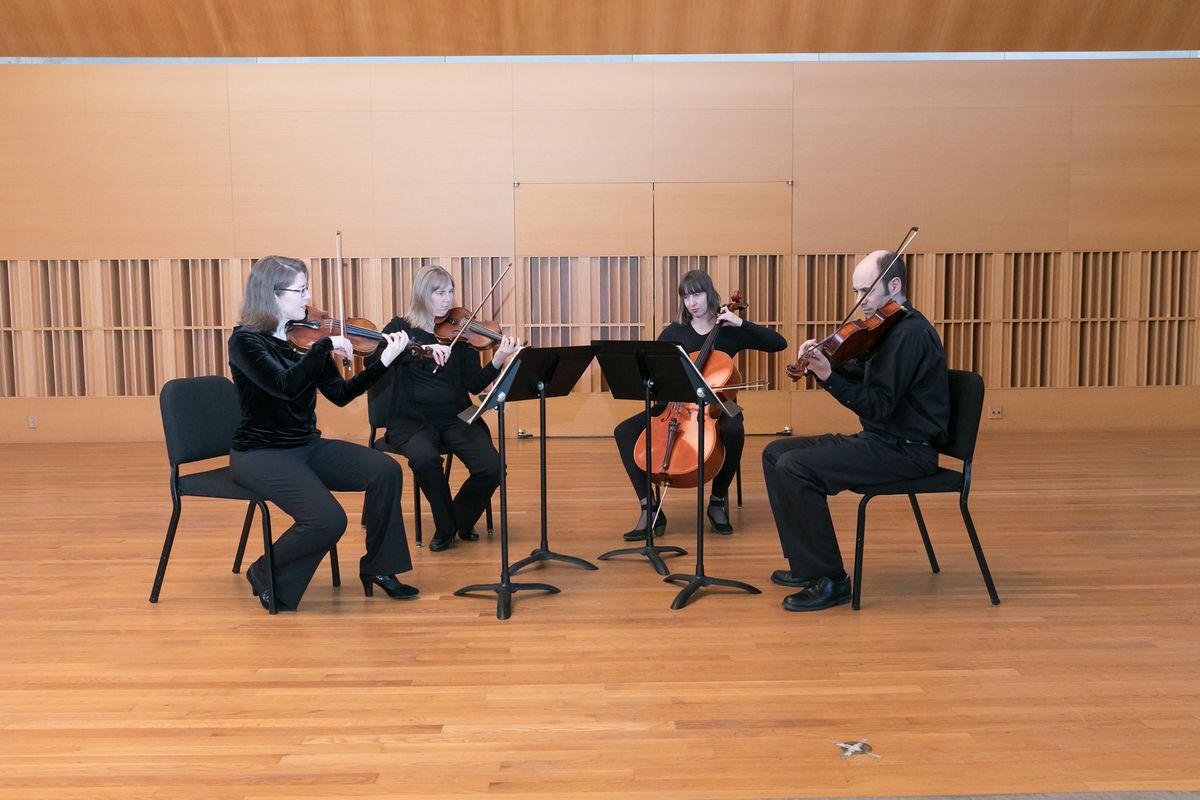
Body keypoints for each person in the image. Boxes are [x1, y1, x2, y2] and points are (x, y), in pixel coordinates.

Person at [762, 250, 949, 612]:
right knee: (776, 454)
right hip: (882, 440)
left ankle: (831, 579)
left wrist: (829, 377)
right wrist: (824, 362)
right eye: (855, 292)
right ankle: (806, 566)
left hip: (907, 451)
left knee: (795, 467)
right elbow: (866, 378)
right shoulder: (887, 330)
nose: (858, 302)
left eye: (865, 292)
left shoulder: (910, 334)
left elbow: (877, 405)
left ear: (894, 286)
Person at [228, 255, 417, 612]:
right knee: (327, 519)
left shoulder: (305, 338)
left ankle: (380, 568)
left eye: (306, 288)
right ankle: (265, 571)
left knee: (386, 471)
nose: (308, 296)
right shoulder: (246, 342)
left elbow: (341, 395)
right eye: (300, 289)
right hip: (260, 454)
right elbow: (284, 386)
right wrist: (323, 348)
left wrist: (384, 362)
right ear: (270, 294)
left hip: (305, 445)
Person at [613, 269, 787, 540]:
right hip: (675, 404)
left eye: (697, 294)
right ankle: (650, 507)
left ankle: (717, 502)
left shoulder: (729, 329)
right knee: (624, 431)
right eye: (685, 296)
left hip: (722, 403)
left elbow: (779, 344)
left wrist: (741, 323)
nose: (691, 302)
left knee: (733, 430)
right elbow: (658, 375)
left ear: (710, 294)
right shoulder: (674, 332)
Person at [369, 265, 520, 552]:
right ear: (422, 294)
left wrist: (498, 359)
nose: (447, 299)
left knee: (492, 468)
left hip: (456, 417)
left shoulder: (460, 334)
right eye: (439, 292)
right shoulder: (400, 327)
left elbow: (474, 385)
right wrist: (418, 350)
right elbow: (375, 363)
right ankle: (446, 526)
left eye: (450, 291)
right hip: (411, 420)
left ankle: (457, 520)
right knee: (426, 460)